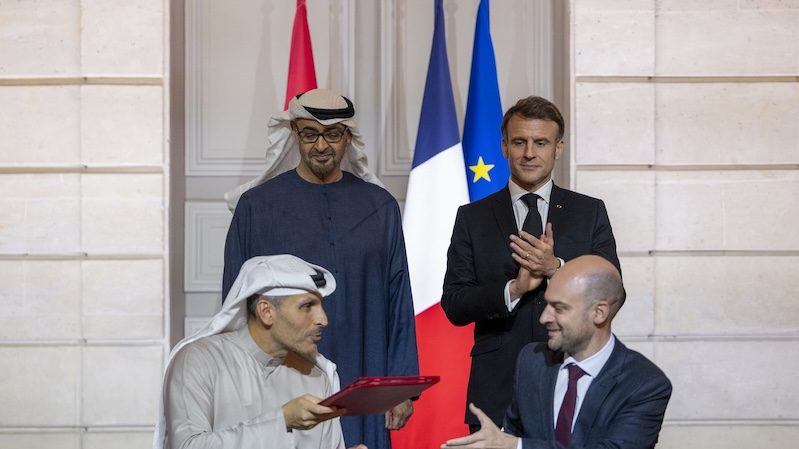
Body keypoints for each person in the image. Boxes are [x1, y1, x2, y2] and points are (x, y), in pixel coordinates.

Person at [222, 88, 418, 449]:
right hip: (280, 382)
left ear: (348, 137)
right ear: (294, 133)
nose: (321, 146)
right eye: (310, 134)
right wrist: (238, 387)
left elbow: (398, 301)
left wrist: (400, 387)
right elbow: (235, 308)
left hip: (364, 374)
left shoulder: (380, 206)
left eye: (332, 134)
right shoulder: (256, 207)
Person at [441, 96, 621, 430]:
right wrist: (515, 289)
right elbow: (454, 303)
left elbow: (614, 294)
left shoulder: (589, 211)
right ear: (505, 146)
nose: (529, 153)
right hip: (496, 389)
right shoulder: (473, 217)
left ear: (558, 148)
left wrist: (557, 269)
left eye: (541, 143)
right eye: (520, 142)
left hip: (575, 378)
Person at [443, 255, 672, 449]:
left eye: (559, 308)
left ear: (599, 313)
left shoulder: (644, 384)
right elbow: (512, 432)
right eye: (546, 305)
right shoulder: (532, 361)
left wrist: (515, 446)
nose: (545, 318)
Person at [154, 254, 367, 449]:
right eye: (307, 306)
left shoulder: (317, 375)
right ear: (266, 312)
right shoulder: (198, 361)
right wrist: (282, 421)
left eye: (321, 305)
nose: (323, 319)